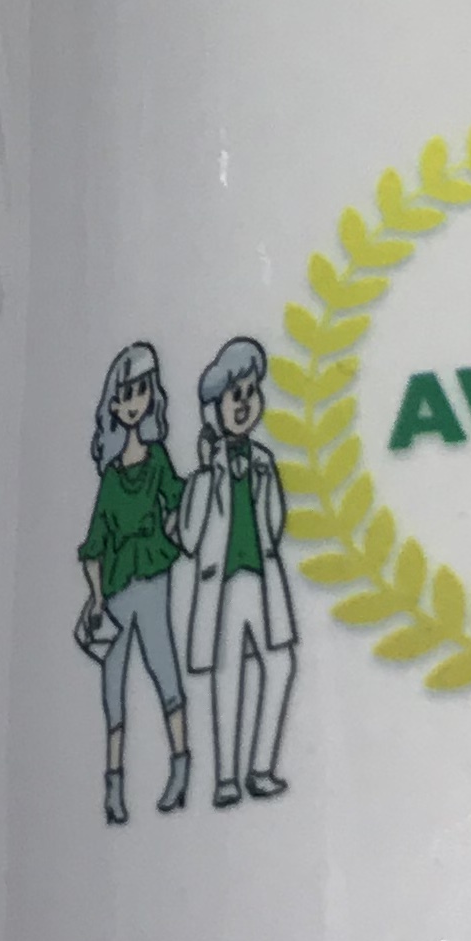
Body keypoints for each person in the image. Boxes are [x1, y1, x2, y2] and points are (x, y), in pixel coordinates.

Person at [176, 335, 297, 805]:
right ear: (215, 408)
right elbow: (190, 537)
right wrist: (207, 476)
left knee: (280, 664)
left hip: (262, 581)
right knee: (226, 677)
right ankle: (226, 779)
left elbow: (276, 521)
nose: (244, 403)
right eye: (234, 395)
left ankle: (261, 768)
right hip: (221, 586)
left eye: (250, 392)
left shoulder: (264, 462)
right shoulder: (206, 474)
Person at [75, 339, 192, 821]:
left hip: (154, 578)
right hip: (117, 589)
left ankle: (181, 769)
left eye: (140, 391)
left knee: (164, 665)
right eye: (124, 395)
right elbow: (93, 544)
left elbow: (181, 499)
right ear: (113, 405)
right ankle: (113, 787)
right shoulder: (109, 478)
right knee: (113, 685)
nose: (133, 402)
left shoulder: (159, 458)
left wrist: (174, 528)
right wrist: (96, 598)